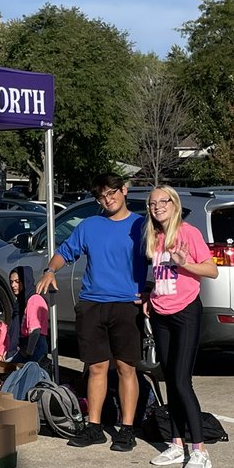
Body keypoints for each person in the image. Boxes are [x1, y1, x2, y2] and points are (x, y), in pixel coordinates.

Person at [37, 173, 147, 451]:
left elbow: (159, 260)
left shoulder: (142, 226)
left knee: (125, 367)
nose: (108, 200)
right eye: (101, 197)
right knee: (96, 367)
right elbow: (66, 251)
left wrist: (151, 291)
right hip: (92, 303)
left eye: (112, 193)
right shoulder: (89, 226)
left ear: (124, 190)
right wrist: (51, 270)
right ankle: (94, 427)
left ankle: (127, 429)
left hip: (126, 304)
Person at [144, 186, 218, 468]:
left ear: (174, 204)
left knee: (181, 380)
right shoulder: (154, 236)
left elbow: (212, 270)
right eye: (152, 203)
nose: (157, 207)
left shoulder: (189, 233)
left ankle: (199, 449)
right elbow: (159, 275)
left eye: (163, 201)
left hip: (186, 312)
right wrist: (150, 298)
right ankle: (176, 444)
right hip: (161, 314)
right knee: (168, 379)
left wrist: (186, 263)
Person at [7, 267, 49, 365]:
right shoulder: (22, 301)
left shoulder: (34, 300)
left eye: (17, 281)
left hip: (34, 347)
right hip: (29, 346)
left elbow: (35, 331)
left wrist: (28, 352)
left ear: (26, 281)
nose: (13, 285)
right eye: (11, 282)